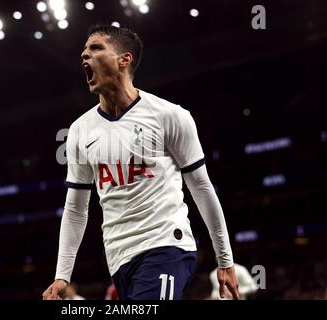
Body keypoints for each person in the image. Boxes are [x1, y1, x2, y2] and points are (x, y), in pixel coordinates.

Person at [42, 24, 239, 300]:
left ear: (124, 59)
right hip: (119, 258)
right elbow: (75, 209)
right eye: (83, 51)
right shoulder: (79, 131)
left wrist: (225, 260)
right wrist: (62, 275)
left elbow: (202, 189)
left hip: (167, 245)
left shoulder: (170, 116)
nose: (84, 56)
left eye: (96, 48)